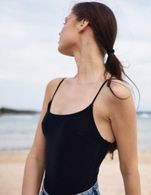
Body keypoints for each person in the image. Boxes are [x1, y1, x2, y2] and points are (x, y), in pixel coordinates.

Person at [22, 2, 141, 195]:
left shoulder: (116, 94)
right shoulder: (54, 87)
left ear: (83, 23)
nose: (60, 31)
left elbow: (129, 170)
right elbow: (36, 157)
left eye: (65, 21)